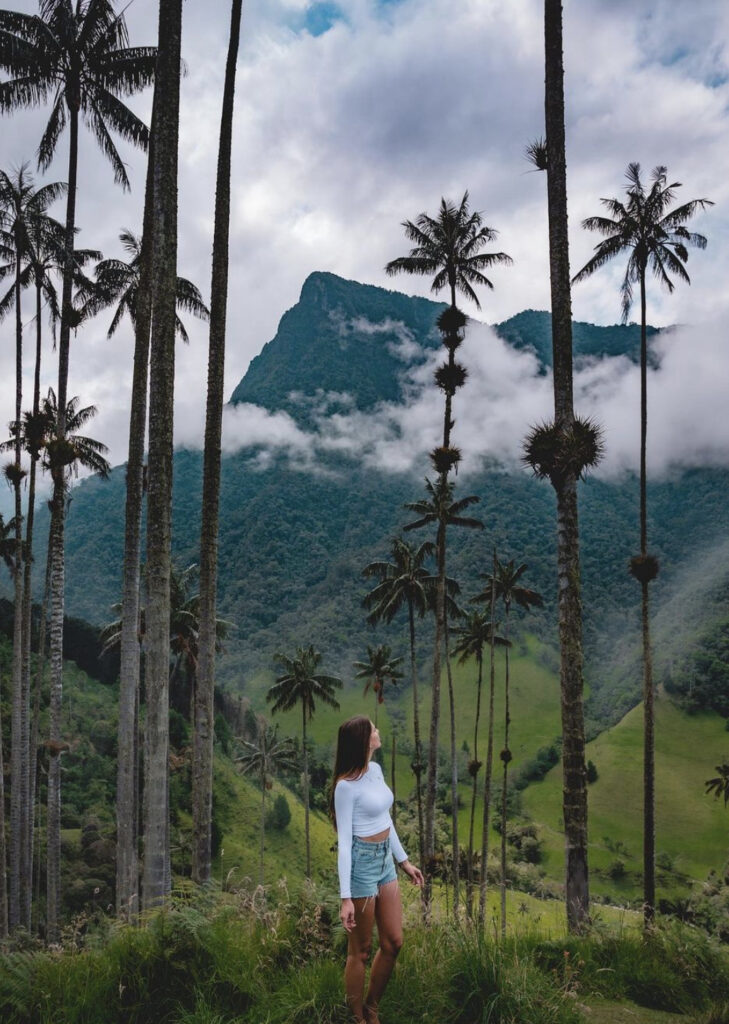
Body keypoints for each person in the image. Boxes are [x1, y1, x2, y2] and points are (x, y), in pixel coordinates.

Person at [330, 715, 424, 1024]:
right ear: (363, 740)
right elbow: (344, 842)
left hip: (385, 860)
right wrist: (346, 898)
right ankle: (357, 1018)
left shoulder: (376, 770)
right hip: (362, 863)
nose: (378, 732)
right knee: (361, 950)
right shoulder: (345, 787)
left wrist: (403, 860)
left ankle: (372, 1006)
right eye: (373, 730)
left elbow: (385, 819)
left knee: (394, 942)